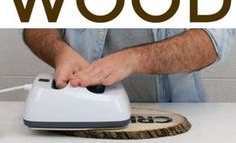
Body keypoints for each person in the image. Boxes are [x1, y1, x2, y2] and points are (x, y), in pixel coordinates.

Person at [24, 28, 235, 102]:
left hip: (177, 118)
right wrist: (59, 51)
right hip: (82, 118)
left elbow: (214, 40)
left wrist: (133, 59)